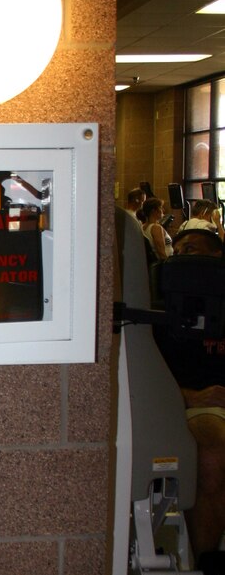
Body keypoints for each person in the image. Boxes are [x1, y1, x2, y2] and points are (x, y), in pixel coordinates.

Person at [154, 228, 225, 565]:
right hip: (182, 408)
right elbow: (147, 379)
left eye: (192, 249)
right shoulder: (158, 312)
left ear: (216, 259)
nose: (183, 256)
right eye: (178, 250)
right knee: (210, 455)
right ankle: (205, 561)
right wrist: (189, 397)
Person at [141, 197, 173, 261]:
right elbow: (161, 253)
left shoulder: (142, 226)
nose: (163, 210)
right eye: (161, 207)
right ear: (154, 211)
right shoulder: (156, 228)